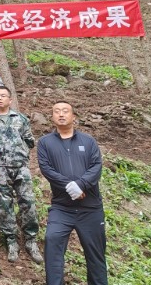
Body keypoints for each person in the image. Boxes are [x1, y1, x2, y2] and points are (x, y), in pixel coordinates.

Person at [37, 101, 106, 285]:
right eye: (57, 111)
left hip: (90, 209)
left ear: (73, 116)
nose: (61, 114)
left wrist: (81, 185)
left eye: (65, 111)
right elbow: (47, 169)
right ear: (52, 117)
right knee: (52, 242)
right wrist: (71, 186)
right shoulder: (45, 143)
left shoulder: (88, 141)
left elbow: (96, 166)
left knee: (96, 257)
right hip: (62, 208)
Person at [0, 86, 43, 264]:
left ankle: (31, 240)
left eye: (3, 96)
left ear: (10, 99)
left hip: (20, 167)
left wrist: (20, 151)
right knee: (5, 206)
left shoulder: (20, 119)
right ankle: (11, 241)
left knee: (28, 202)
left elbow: (29, 140)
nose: (0, 98)